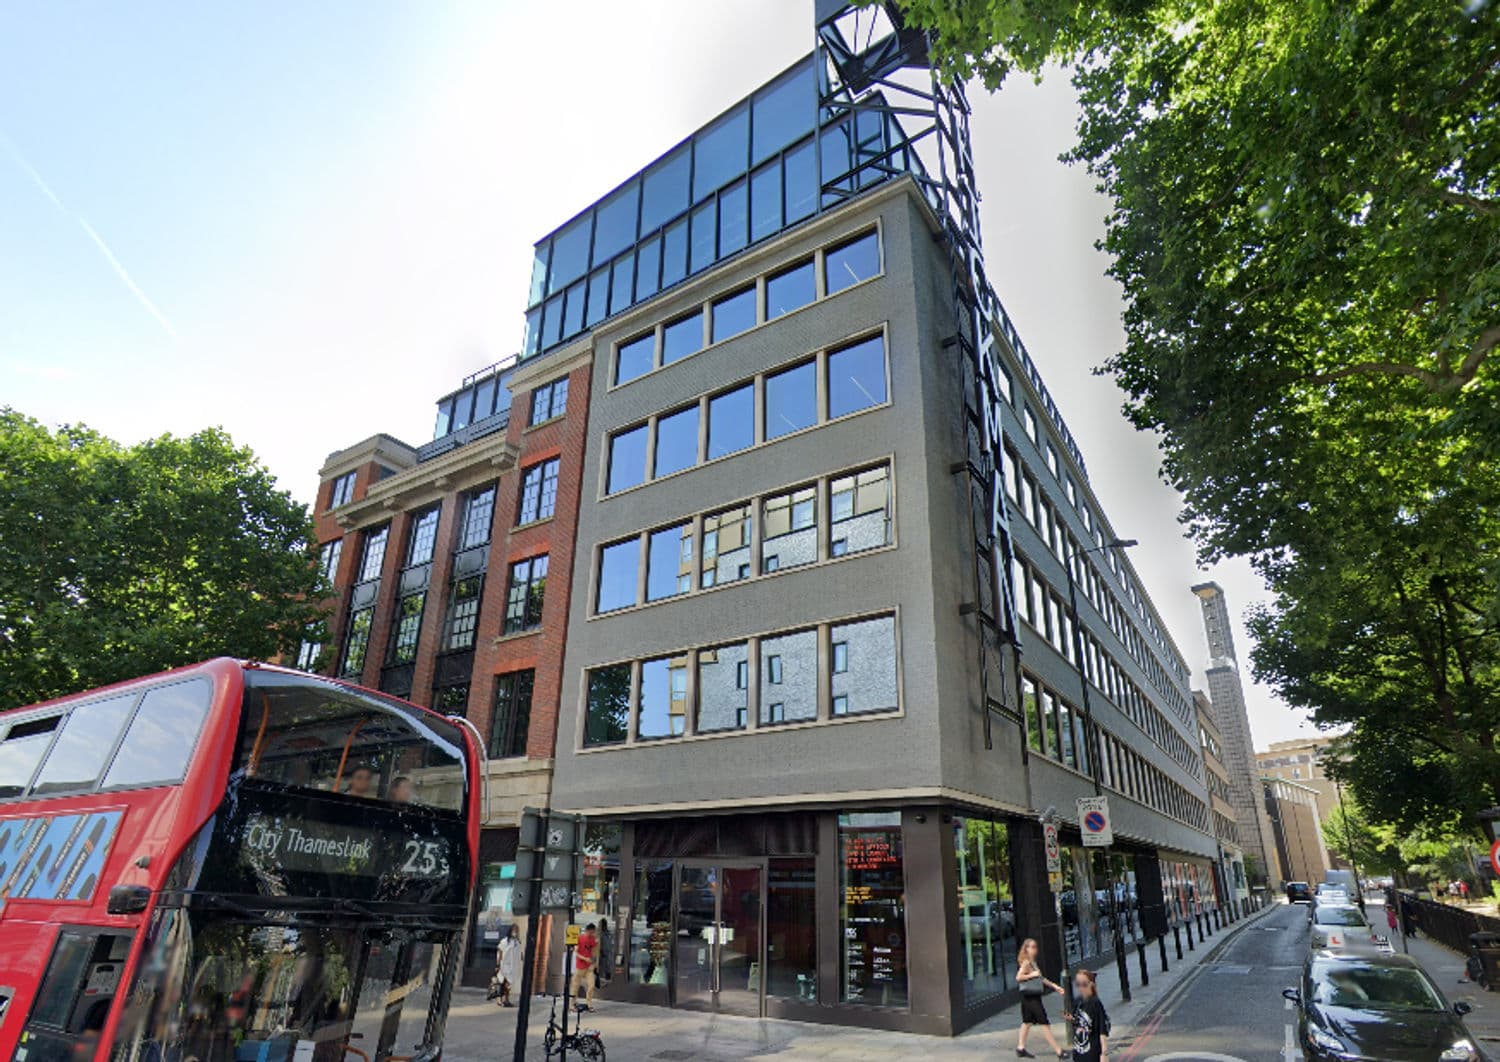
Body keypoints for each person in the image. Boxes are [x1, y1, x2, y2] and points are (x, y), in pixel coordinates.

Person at [1014, 937, 1066, 1059]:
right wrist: (1032, 974)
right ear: (1026, 949)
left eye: (1035, 947)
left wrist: (1055, 987)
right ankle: (1058, 1051)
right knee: (1044, 1023)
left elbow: (1041, 978)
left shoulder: (1033, 962)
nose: (1035, 949)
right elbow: (1018, 977)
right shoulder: (1026, 963)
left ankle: (1020, 1048)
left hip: (1032, 996)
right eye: (1032, 947)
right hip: (1030, 997)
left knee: (1027, 1022)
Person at [1065, 969, 1110, 1062]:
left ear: (1091, 984)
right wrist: (1071, 1019)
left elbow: (1102, 1029)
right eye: (1078, 984)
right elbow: (1077, 1022)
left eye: (1084, 984)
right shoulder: (1077, 1001)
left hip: (1093, 1053)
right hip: (1078, 1052)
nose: (1081, 988)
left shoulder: (1095, 1003)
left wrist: (1104, 1053)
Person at [571, 923, 599, 1010]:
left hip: (589, 967)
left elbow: (594, 952)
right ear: (587, 930)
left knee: (591, 986)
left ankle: (589, 1004)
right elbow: (576, 953)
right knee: (575, 986)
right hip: (579, 966)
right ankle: (572, 1004)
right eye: (591, 932)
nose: (592, 934)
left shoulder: (593, 939)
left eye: (593, 932)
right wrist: (585, 958)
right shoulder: (579, 938)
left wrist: (595, 963)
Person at [495, 924, 521, 1007]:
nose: (515, 932)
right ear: (510, 930)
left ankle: (506, 1000)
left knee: (508, 984)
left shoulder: (517, 942)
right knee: (502, 982)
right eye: (514, 930)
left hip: (513, 967)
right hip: (504, 965)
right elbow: (500, 952)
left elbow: (518, 954)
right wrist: (498, 965)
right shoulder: (505, 941)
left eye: (517, 930)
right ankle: (499, 999)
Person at [596, 917, 614, 989]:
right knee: (605, 975)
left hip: (604, 958)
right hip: (606, 959)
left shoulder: (602, 935)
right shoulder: (607, 934)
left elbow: (604, 948)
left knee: (603, 975)